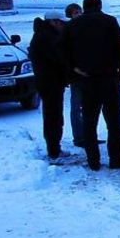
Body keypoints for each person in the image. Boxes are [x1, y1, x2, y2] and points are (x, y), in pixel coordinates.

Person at [65, 0, 120, 171]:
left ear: (84, 8)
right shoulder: (109, 21)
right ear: (99, 6)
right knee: (114, 122)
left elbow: (63, 51)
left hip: (87, 79)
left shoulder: (72, 25)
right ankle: (116, 160)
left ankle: (93, 162)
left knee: (89, 122)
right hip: (109, 78)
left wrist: (74, 70)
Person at [29, 11, 69, 160]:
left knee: (53, 115)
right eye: (61, 23)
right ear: (53, 22)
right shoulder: (48, 37)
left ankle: (54, 148)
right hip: (50, 82)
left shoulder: (43, 34)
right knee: (53, 116)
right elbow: (59, 59)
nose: (63, 26)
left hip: (48, 81)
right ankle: (54, 150)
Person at [64, 3, 88, 147]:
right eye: (74, 12)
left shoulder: (86, 28)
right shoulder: (68, 30)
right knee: (76, 107)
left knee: (87, 107)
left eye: (79, 11)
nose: (78, 14)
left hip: (87, 74)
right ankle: (79, 137)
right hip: (76, 75)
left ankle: (88, 134)